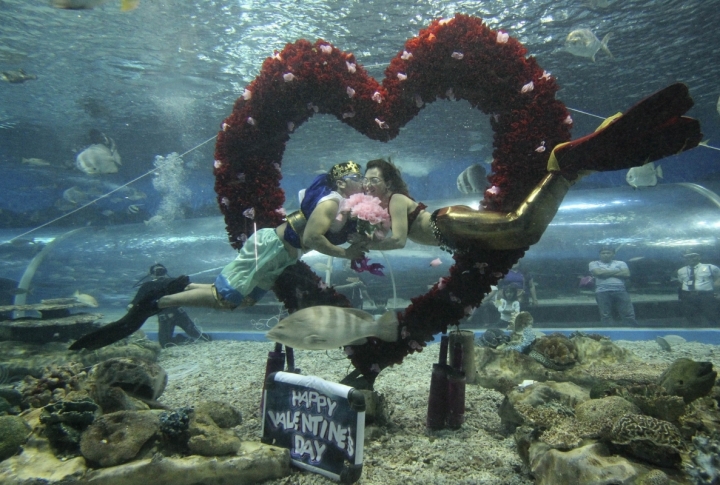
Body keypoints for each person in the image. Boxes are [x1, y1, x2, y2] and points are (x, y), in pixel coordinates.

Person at [70, 161, 368, 350]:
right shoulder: (330, 203)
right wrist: (346, 252)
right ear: (341, 182)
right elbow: (313, 237)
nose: (362, 181)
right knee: (224, 298)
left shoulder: (342, 205)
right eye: (357, 177)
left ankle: (176, 287)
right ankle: (158, 301)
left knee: (244, 301)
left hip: (282, 257)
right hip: (270, 249)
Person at [358, 158, 580, 254]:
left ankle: (563, 172)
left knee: (520, 225)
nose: (368, 185)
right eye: (366, 180)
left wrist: (365, 246)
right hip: (453, 236)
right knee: (517, 235)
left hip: (448, 224)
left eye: (374, 180)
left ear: (388, 183)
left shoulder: (395, 199)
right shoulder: (385, 207)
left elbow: (398, 241)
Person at [133, 264, 211, 347]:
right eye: (157, 272)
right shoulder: (147, 286)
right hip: (165, 318)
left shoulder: (173, 282)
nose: (160, 274)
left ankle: (183, 339)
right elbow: (136, 301)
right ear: (152, 274)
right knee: (165, 344)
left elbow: (190, 288)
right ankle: (181, 339)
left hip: (179, 315)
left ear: (165, 272)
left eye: (162, 271)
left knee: (201, 336)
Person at [588, 246, 638, 326]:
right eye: (603, 253)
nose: (605, 255)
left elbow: (626, 274)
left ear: (613, 254)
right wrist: (618, 272)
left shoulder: (621, 263)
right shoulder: (593, 263)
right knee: (605, 315)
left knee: (628, 313)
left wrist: (604, 273)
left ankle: (633, 331)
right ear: (599, 254)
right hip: (602, 291)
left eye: (608, 253)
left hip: (620, 290)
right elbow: (598, 273)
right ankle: (608, 333)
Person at [677, 251, 720, 326]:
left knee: (711, 316)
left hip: (705, 296)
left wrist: (718, 292)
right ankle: (696, 333)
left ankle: (714, 332)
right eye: (688, 257)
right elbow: (681, 282)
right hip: (688, 297)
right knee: (691, 317)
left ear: (699, 257)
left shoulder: (710, 267)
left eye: (693, 256)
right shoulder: (681, 271)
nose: (690, 259)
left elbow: (718, 279)